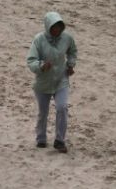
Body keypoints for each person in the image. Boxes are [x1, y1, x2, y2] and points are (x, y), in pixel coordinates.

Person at [26, 11, 78, 153]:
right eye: (54, 27)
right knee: (43, 112)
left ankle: (59, 141)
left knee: (62, 107)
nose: (57, 30)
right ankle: (41, 138)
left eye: (59, 27)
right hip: (43, 82)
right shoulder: (38, 40)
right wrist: (41, 66)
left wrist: (70, 64)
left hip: (61, 80)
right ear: (48, 26)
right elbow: (31, 61)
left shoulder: (67, 38)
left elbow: (72, 51)